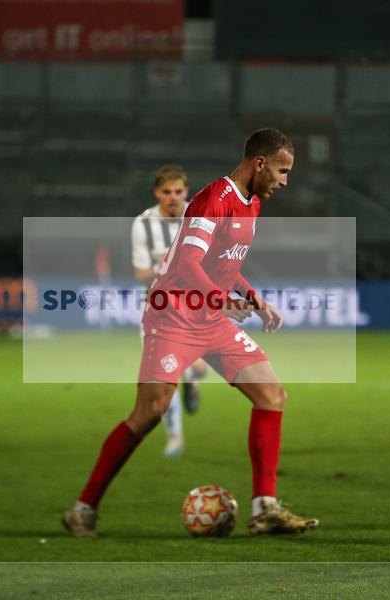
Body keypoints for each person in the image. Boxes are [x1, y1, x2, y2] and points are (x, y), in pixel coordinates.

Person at [64, 129, 319, 537]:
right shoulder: (213, 200)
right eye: (282, 170)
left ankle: (265, 509)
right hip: (173, 317)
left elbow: (227, 263)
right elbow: (186, 263)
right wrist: (221, 301)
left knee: (271, 395)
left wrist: (254, 299)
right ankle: (83, 508)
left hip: (210, 318)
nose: (285, 181)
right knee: (150, 412)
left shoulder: (251, 203)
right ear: (259, 163)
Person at [131, 166, 209, 458]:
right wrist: (161, 265)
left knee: (197, 368)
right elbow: (140, 273)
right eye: (166, 192)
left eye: (178, 191)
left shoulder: (199, 219)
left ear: (186, 192)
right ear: (157, 193)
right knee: (163, 377)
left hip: (194, 306)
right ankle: (175, 437)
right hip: (156, 309)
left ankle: (192, 379)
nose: (172, 197)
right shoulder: (142, 224)